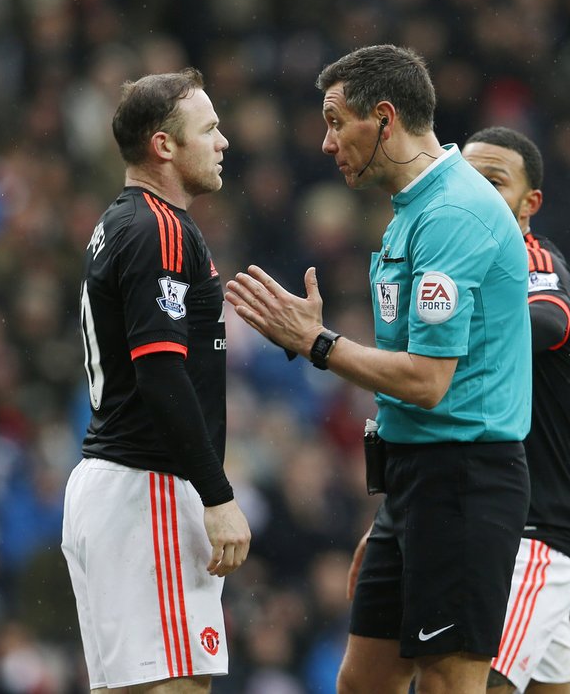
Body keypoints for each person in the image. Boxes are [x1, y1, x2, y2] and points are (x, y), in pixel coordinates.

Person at [224, 44, 532, 694]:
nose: (325, 140)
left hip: (464, 481)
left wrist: (318, 343)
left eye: (337, 121)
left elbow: (427, 380)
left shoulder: (451, 214)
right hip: (418, 483)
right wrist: (393, 507)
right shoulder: (411, 213)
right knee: (363, 681)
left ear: (384, 118)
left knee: (449, 682)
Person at [61, 68, 251, 694]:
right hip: (148, 492)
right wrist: (217, 495)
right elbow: (160, 373)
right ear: (164, 146)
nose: (224, 141)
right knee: (178, 686)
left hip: (114, 488)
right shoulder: (159, 228)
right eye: (211, 128)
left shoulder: (120, 223)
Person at [461, 127, 570, 694]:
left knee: (478, 679)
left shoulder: (532, 258)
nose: (478, 191)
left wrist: (454, 323)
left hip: (539, 527)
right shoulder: (451, 264)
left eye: (495, 181)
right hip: (489, 514)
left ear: (529, 203)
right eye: (467, 178)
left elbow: (549, 321)